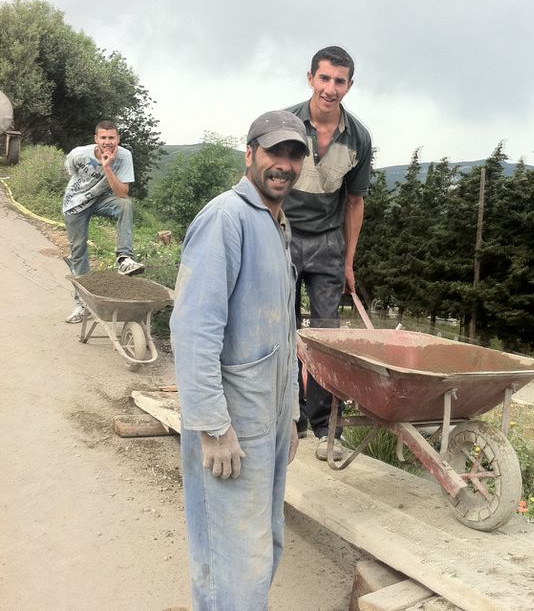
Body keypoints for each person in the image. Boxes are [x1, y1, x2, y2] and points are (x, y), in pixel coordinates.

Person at [170, 110, 309, 611]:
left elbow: (281, 331)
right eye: (274, 152)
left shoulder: (277, 222)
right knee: (232, 561)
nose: (284, 165)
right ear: (249, 154)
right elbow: (192, 330)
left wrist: (289, 415)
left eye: (294, 155)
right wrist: (211, 425)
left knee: (262, 549)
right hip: (231, 425)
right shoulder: (225, 218)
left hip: (265, 422)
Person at [284, 46, 372, 461]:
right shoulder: (284, 125)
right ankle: (287, 416)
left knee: (325, 336)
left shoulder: (359, 138)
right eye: (324, 78)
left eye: (340, 81)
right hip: (281, 236)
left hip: (326, 245)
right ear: (310, 79)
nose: (330, 88)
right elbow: (259, 183)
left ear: (349, 86)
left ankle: (324, 427)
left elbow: (355, 203)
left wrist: (350, 262)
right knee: (281, 328)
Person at [62, 120, 144, 323]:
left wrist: (107, 168)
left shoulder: (124, 156)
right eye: (104, 138)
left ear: (118, 139)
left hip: (102, 200)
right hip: (75, 205)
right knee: (78, 253)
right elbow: (70, 171)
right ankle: (81, 305)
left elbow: (122, 193)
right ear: (96, 139)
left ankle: (124, 259)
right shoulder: (79, 154)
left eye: (112, 137)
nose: (108, 142)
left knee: (126, 205)